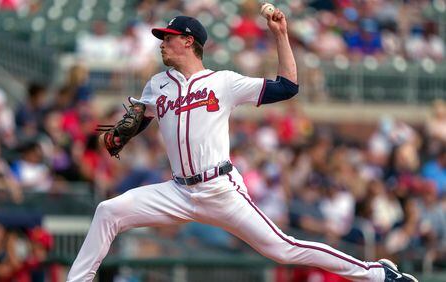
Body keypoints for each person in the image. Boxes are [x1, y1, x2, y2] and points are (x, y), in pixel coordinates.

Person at [67, 9, 417, 282]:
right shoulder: (157, 85)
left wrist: (281, 35)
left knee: (283, 249)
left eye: (168, 37)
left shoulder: (224, 82)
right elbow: (137, 123)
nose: (161, 42)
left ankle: (378, 274)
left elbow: (287, 87)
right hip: (176, 192)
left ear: (188, 41)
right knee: (108, 212)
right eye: (161, 38)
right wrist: (118, 135)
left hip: (220, 188)